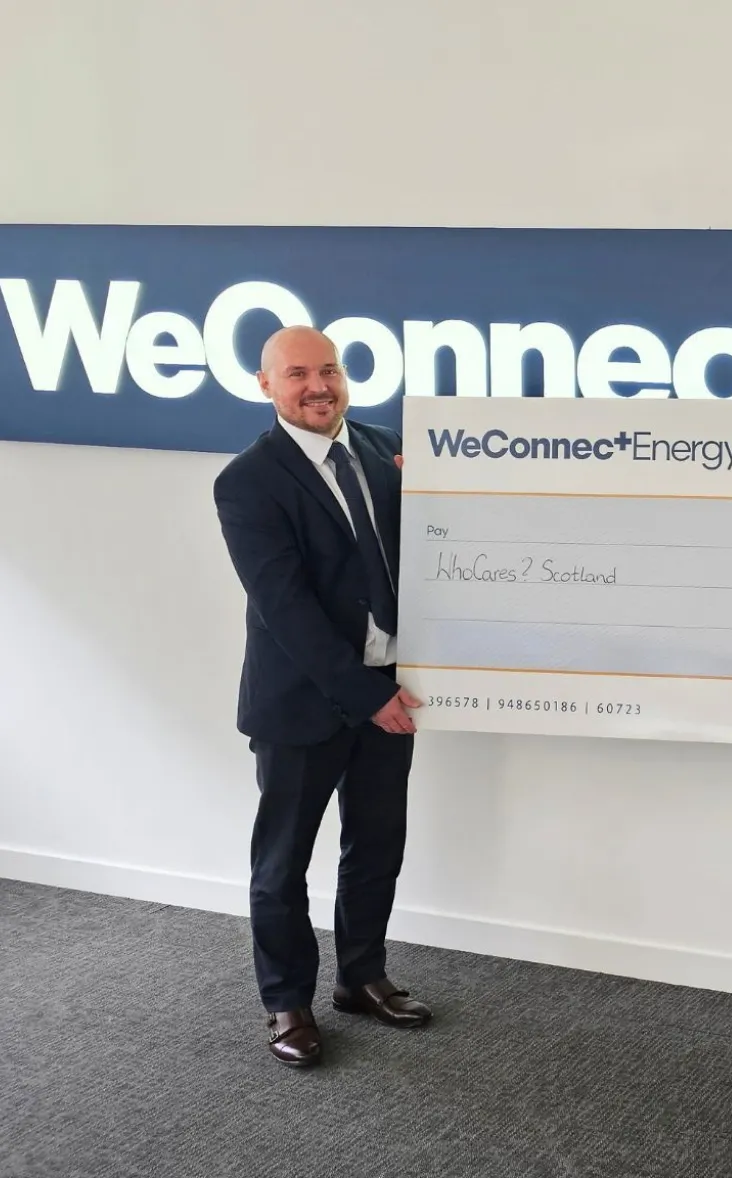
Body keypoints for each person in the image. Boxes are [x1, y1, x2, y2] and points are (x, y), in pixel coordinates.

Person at [213, 325, 431, 1067]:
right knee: (283, 865)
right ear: (265, 385)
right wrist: (366, 696)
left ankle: (361, 978)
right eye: (298, 373)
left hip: (391, 692)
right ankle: (288, 1004)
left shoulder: (387, 449)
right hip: (303, 702)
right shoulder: (248, 480)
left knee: (376, 846)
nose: (318, 386)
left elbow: (440, 551)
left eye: (329, 370)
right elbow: (287, 608)